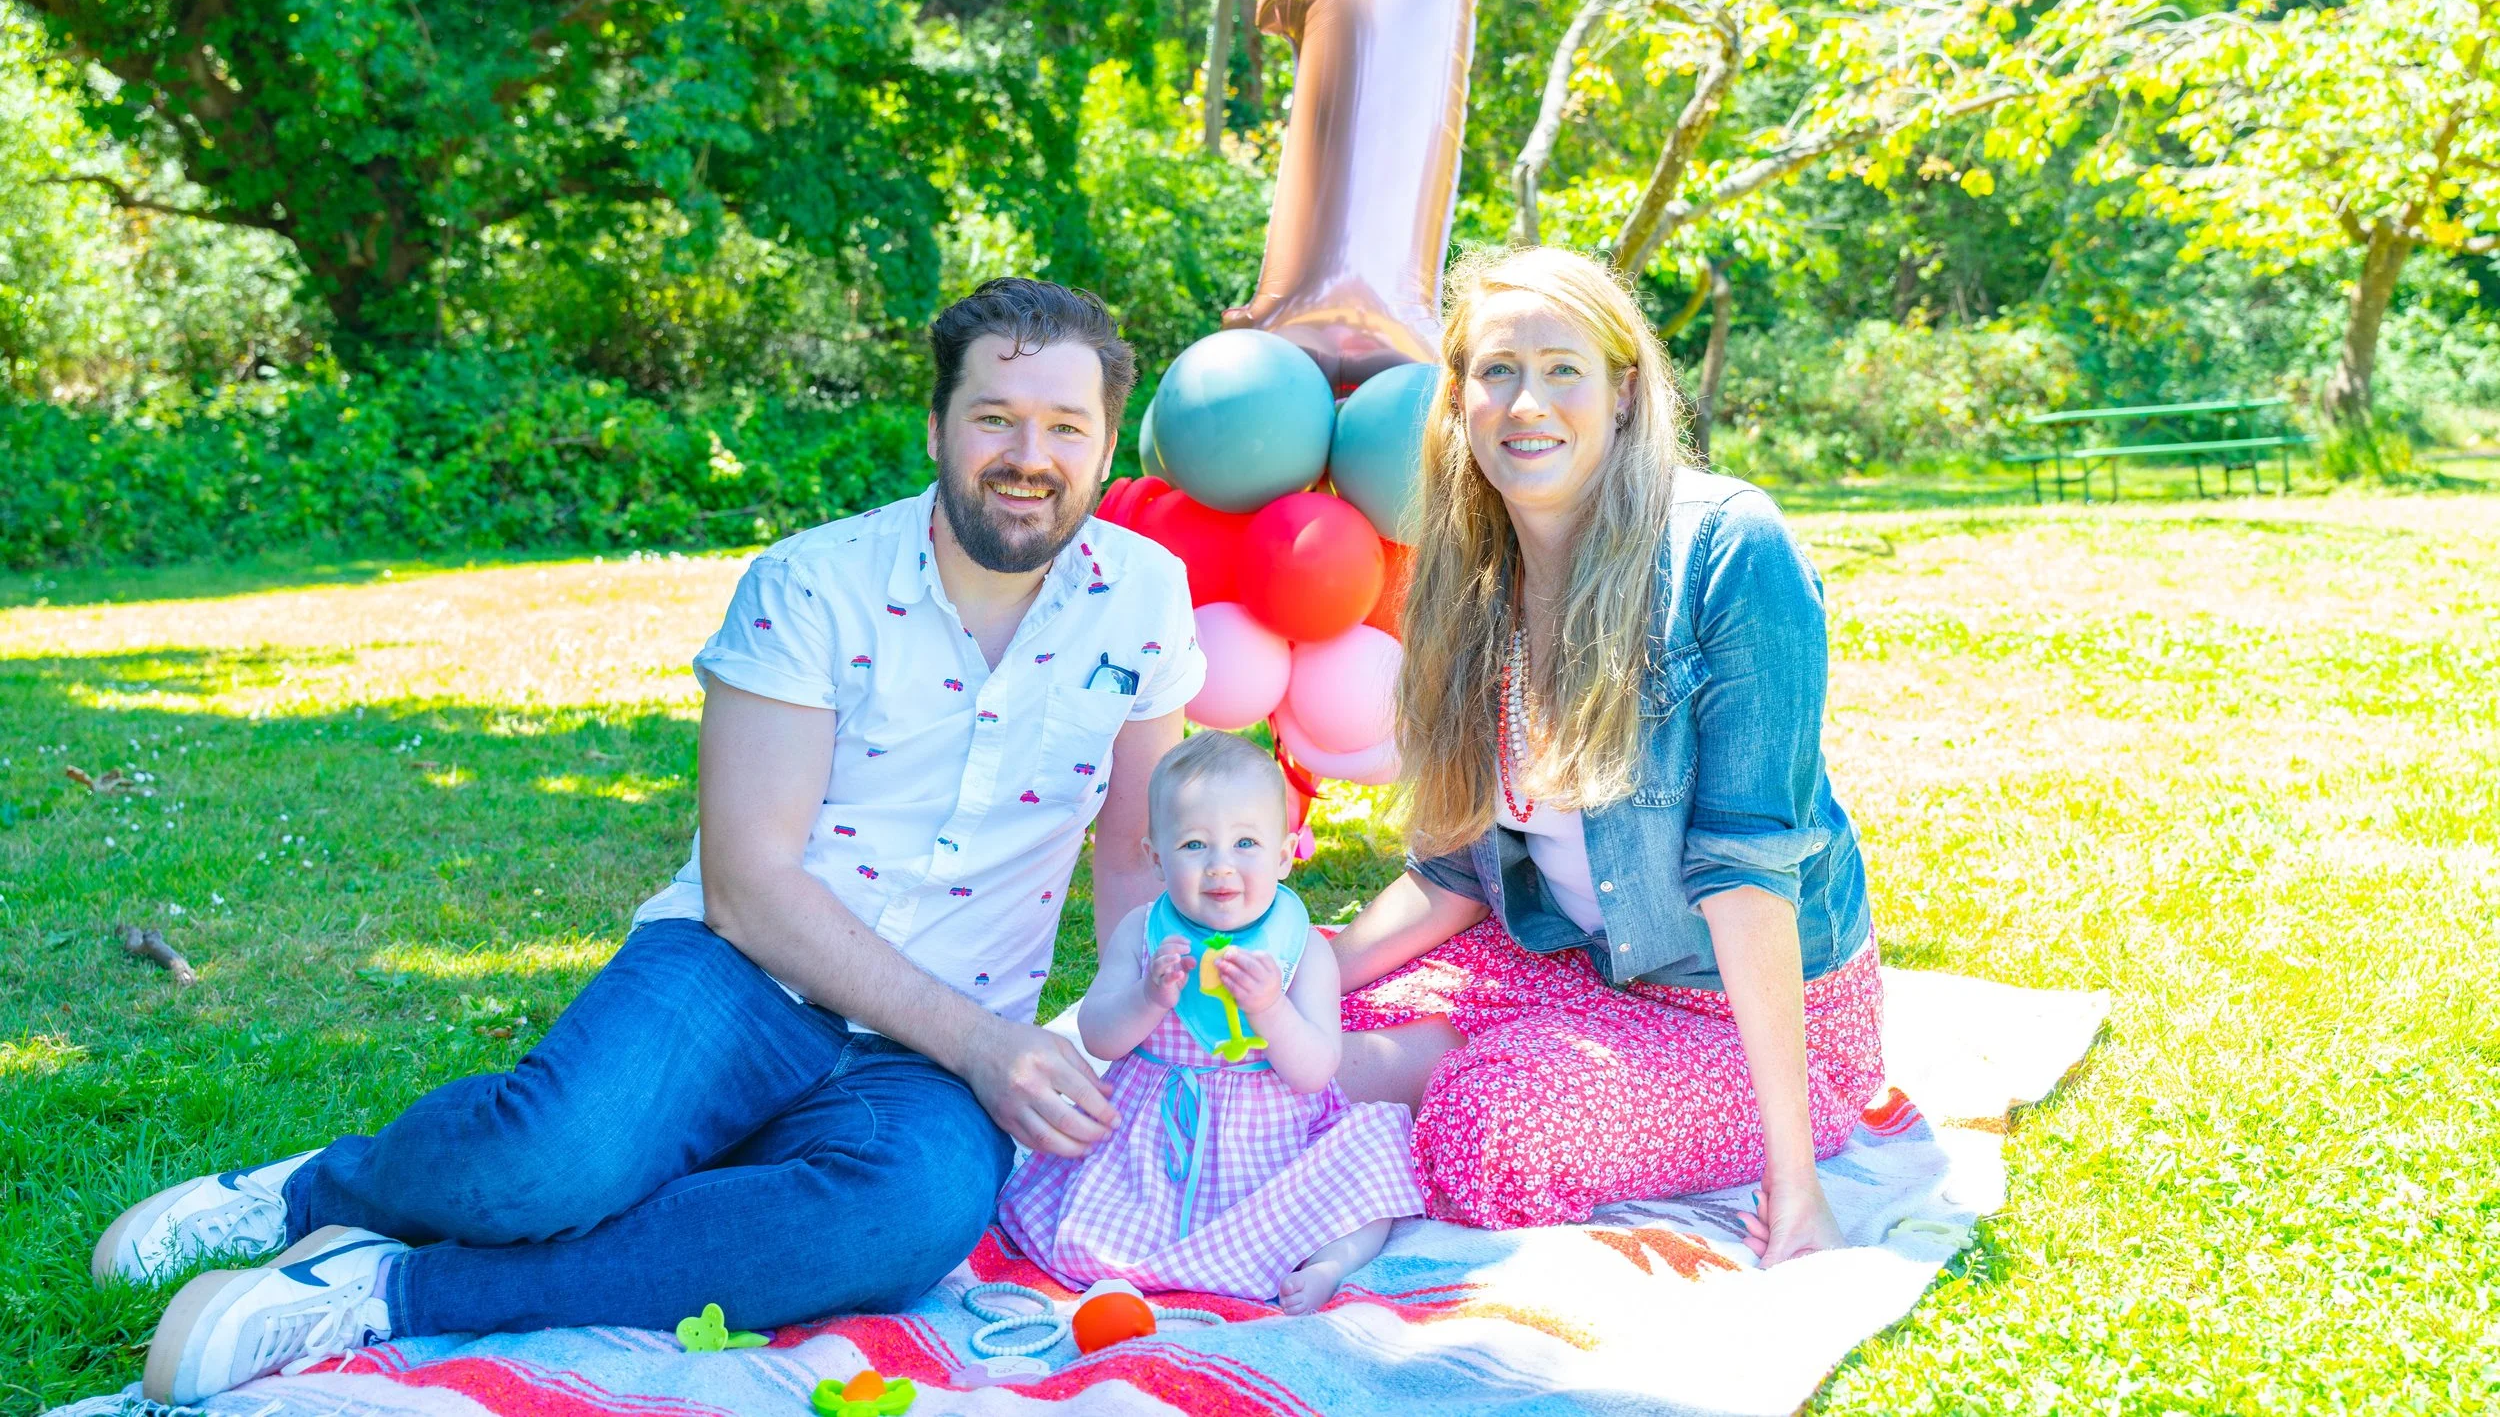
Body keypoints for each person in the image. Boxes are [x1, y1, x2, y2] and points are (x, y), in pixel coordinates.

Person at [100, 278, 1206, 1404]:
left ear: (1107, 446)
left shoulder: (1146, 600)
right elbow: (749, 885)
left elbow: (1130, 854)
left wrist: (1137, 1026)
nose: (1030, 454)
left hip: (924, 1053)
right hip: (740, 974)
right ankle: (318, 1196)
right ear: (936, 428)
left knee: (907, 1223)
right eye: (995, 417)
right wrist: (982, 1045)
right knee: (547, 1166)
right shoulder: (810, 585)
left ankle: (383, 1293)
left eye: (1065, 426)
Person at [1327, 246, 1884, 1266]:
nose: (1525, 401)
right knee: (1288, 1036)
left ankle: (1480, 1085)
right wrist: (1315, 975)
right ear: (1458, 400)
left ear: (1624, 394)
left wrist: (1793, 1181)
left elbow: (1749, 869)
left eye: (1561, 369)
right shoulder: (1468, 577)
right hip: (1562, 964)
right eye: (1495, 371)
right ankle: (1476, 1059)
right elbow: (1455, 872)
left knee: (1494, 1132)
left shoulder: (1726, 548)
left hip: (1736, 1011)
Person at [998, 730, 1424, 1314]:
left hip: (1272, 1149)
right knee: (1100, 1219)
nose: (1221, 866)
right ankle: (1153, 1257)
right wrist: (1149, 997)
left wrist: (1270, 1009)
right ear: (1155, 855)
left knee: (1376, 1155)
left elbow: (1315, 1071)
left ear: (1282, 854)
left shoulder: (1302, 948)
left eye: (1246, 843)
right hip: (1154, 1139)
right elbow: (1098, 1034)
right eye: (1195, 845)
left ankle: (1331, 1262)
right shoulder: (1145, 933)